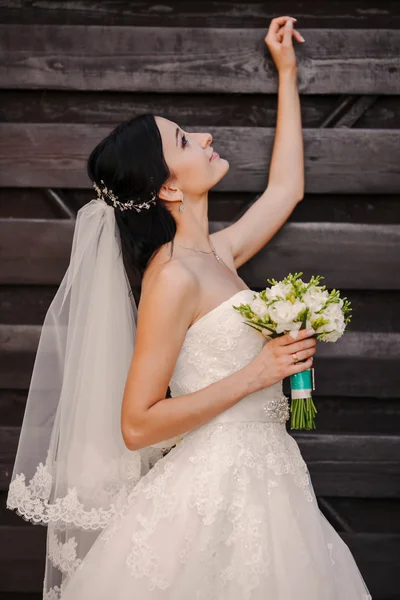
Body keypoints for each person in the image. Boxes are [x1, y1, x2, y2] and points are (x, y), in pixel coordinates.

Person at [6, 16, 372, 600]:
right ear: (169, 188)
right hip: (215, 485)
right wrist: (258, 371)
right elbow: (136, 424)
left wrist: (286, 73)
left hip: (270, 472)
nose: (204, 139)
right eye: (185, 141)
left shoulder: (218, 255)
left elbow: (285, 191)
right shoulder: (173, 276)